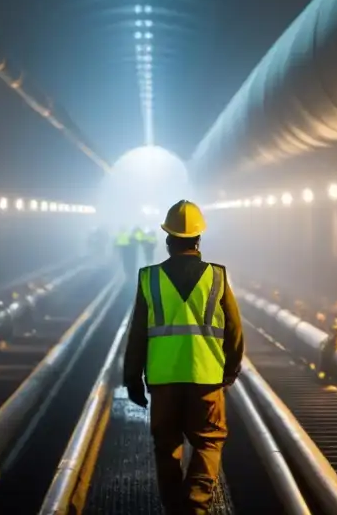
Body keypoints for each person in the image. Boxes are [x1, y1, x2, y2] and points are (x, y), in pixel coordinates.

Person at [123, 199, 244, 515]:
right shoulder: (217, 277)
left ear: (167, 240)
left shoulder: (149, 278)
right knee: (207, 443)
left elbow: (137, 334)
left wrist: (132, 379)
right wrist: (229, 371)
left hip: (163, 381)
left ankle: (174, 508)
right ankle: (196, 506)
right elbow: (234, 330)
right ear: (198, 239)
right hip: (206, 379)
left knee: (166, 448)